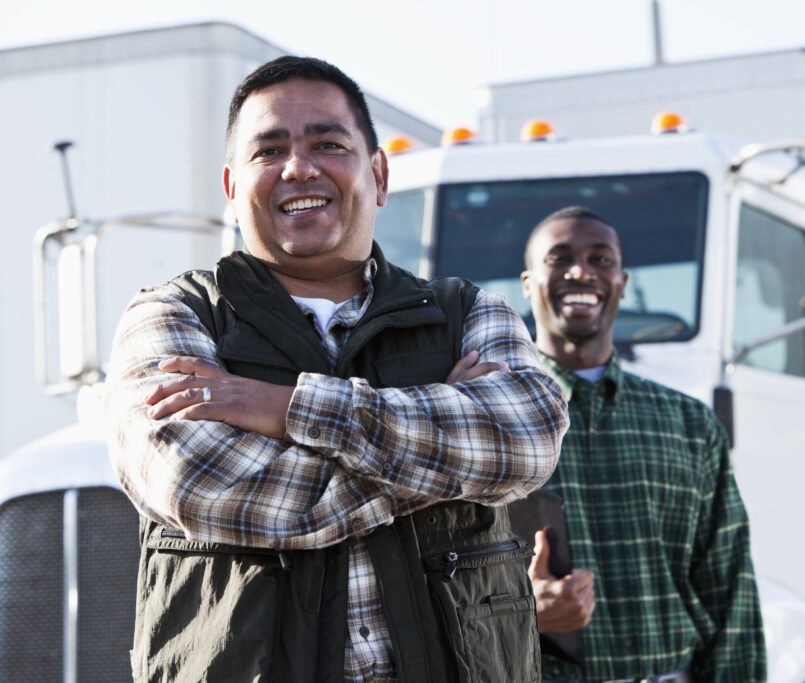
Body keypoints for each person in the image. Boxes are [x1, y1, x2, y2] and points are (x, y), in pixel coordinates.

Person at [104, 55, 568, 683]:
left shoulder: (468, 312)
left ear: (377, 173)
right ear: (233, 190)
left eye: (327, 143)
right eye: (268, 151)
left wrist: (284, 408)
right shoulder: (171, 315)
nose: (299, 167)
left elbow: (528, 437)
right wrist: (439, 453)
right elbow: (197, 480)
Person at [520, 206, 766, 683]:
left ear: (623, 283)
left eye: (600, 259)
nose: (581, 272)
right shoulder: (488, 421)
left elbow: (729, 584)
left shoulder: (689, 424)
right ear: (528, 283)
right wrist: (524, 610)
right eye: (560, 257)